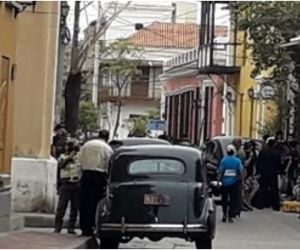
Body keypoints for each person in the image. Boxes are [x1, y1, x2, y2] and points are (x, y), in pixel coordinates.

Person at [79, 129, 113, 236]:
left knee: (84, 201)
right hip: (99, 176)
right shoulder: (107, 148)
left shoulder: (86, 145)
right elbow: (109, 164)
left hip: (86, 174)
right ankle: (93, 225)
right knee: (95, 203)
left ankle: (84, 227)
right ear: (107, 137)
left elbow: (79, 160)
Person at [54, 140, 82, 234]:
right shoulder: (63, 157)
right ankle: (58, 227)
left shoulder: (80, 157)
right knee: (61, 207)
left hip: (76, 183)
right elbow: (61, 166)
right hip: (66, 184)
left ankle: (71, 227)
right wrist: (69, 158)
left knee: (75, 207)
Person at [219, 144, 243, 223]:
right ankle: (230, 215)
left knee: (224, 199)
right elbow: (240, 171)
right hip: (234, 183)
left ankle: (224, 214)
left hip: (225, 183)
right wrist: (240, 178)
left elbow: (220, 171)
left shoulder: (224, 160)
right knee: (233, 200)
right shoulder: (237, 161)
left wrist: (219, 179)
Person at [256, 137, 281, 211]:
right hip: (273, 173)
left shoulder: (263, 151)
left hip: (264, 172)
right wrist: (279, 170)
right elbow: (279, 163)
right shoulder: (276, 152)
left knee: (263, 188)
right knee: (274, 189)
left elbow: (258, 162)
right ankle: (275, 205)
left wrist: (258, 171)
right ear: (273, 144)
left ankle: (260, 204)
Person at [232, 138, 246, 215]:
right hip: (237, 174)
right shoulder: (237, 152)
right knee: (237, 192)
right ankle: (237, 208)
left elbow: (239, 165)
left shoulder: (240, 153)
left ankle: (237, 208)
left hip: (238, 175)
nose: (234, 144)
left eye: (235, 143)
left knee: (238, 192)